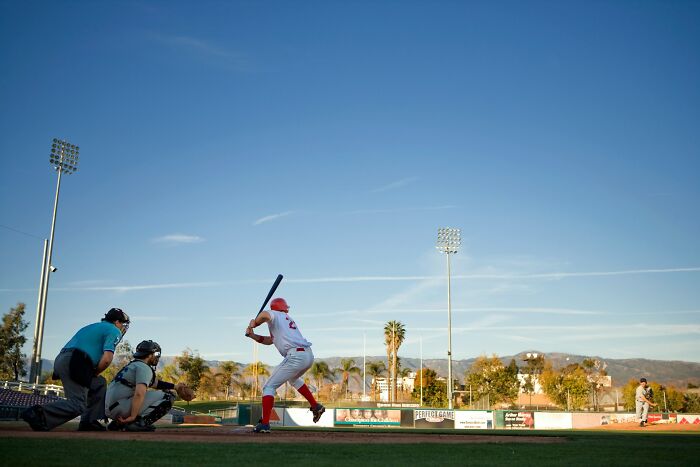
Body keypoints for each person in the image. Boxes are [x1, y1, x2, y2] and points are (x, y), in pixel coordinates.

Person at [21, 308, 130, 431]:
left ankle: (88, 422)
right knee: (78, 404)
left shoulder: (92, 326)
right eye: (123, 324)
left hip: (63, 359)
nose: (123, 327)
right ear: (116, 322)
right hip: (77, 361)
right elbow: (106, 359)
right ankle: (38, 413)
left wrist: (92, 374)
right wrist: (94, 372)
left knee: (98, 383)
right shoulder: (113, 330)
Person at [245, 297, 325, 433]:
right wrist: (253, 335)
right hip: (307, 355)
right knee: (293, 379)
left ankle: (264, 424)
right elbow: (270, 340)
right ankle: (315, 405)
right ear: (285, 307)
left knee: (269, 387)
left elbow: (264, 314)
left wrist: (256, 322)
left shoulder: (276, 314)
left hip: (295, 355)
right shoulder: (284, 321)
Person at [105, 340, 193, 432]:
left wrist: (175, 387)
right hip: (120, 407)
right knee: (168, 396)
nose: (157, 357)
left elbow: (155, 384)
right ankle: (138, 423)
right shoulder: (144, 368)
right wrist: (132, 416)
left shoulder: (134, 365)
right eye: (156, 354)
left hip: (113, 408)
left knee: (160, 394)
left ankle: (117, 424)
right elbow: (139, 393)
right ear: (150, 355)